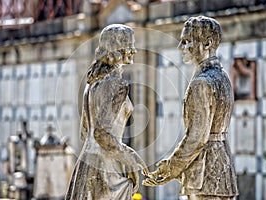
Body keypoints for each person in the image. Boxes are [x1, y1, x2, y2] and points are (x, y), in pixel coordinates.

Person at [143, 16, 239, 200]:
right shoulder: (222, 77)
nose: (180, 47)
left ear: (207, 43)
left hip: (204, 175)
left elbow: (197, 138)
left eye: (186, 41)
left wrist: (170, 169)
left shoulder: (201, 83)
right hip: (222, 168)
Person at [65, 24, 149, 200]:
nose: (134, 50)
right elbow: (101, 133)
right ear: (117, 48)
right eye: (130, 45)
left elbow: (85, 132)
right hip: (106, 171)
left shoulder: (92, 84)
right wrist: (129, 161)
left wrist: (129, 154)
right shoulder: (116, 84)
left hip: (87, 164)